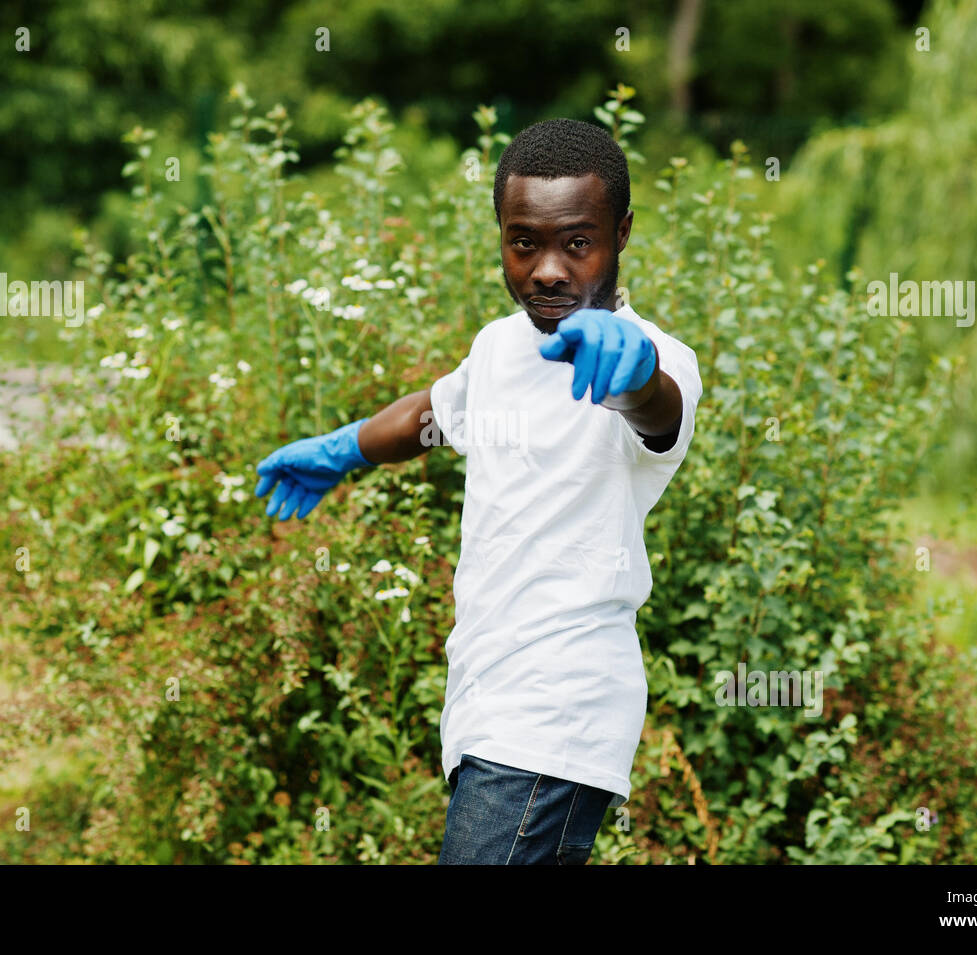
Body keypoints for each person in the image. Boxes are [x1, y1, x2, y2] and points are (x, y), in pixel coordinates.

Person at [255, 118, 703, 865]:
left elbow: (660, 414)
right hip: (486, 698)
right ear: (500, 235)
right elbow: (431, 417)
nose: (549, 269)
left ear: (621, 233)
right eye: (524, 242)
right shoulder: (500, 346)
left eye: (578, 242)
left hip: (556, 709)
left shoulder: (660, 359)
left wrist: (632, 375)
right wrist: (341, 451)